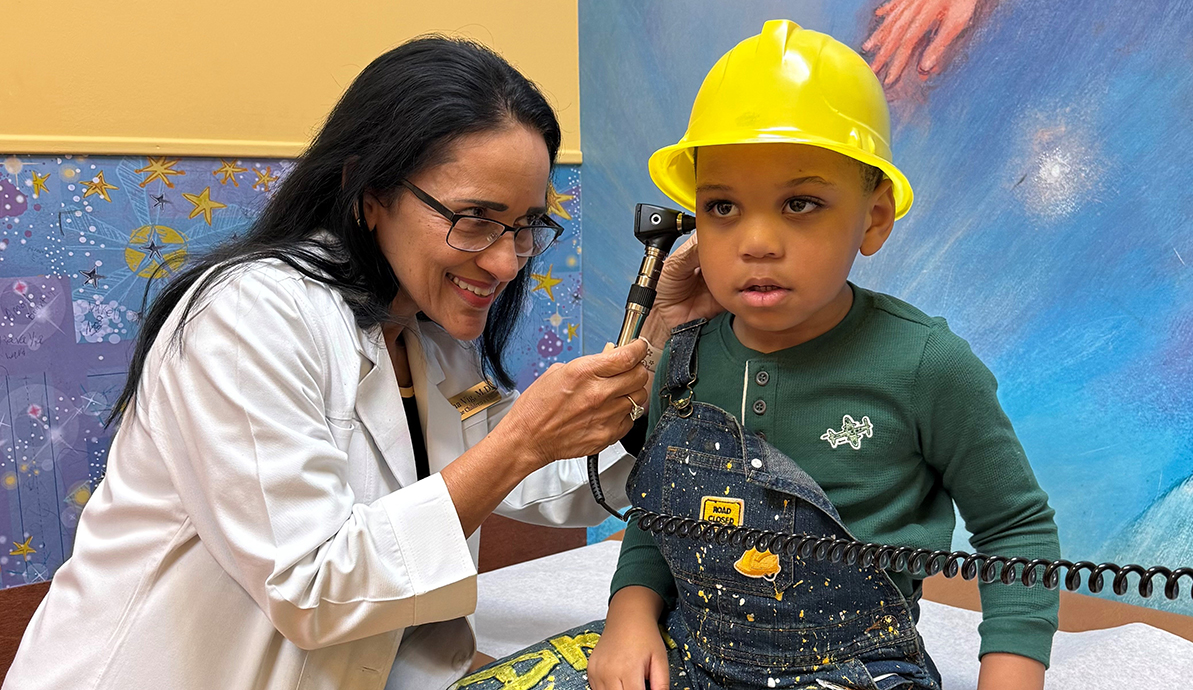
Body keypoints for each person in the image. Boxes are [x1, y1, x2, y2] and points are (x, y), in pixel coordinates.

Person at [2, 35, 709, 690]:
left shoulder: (431, 339)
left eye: (526, 226)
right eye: (475, 220)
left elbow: (553, 485)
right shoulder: (248, 316)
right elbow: (313, 587)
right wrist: (521, 439)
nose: (503, 260)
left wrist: (662, 350)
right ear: (371, 194)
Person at [453, 20, 1059, 690]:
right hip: (692, 647)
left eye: (800, 202)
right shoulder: (680, 362)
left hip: (854, 669)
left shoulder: (928, 365)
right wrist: (630, 614)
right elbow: (659, 516)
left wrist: (1011, 677)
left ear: (876, 216)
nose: (757, 242)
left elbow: (1016, 528)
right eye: (722, 207)